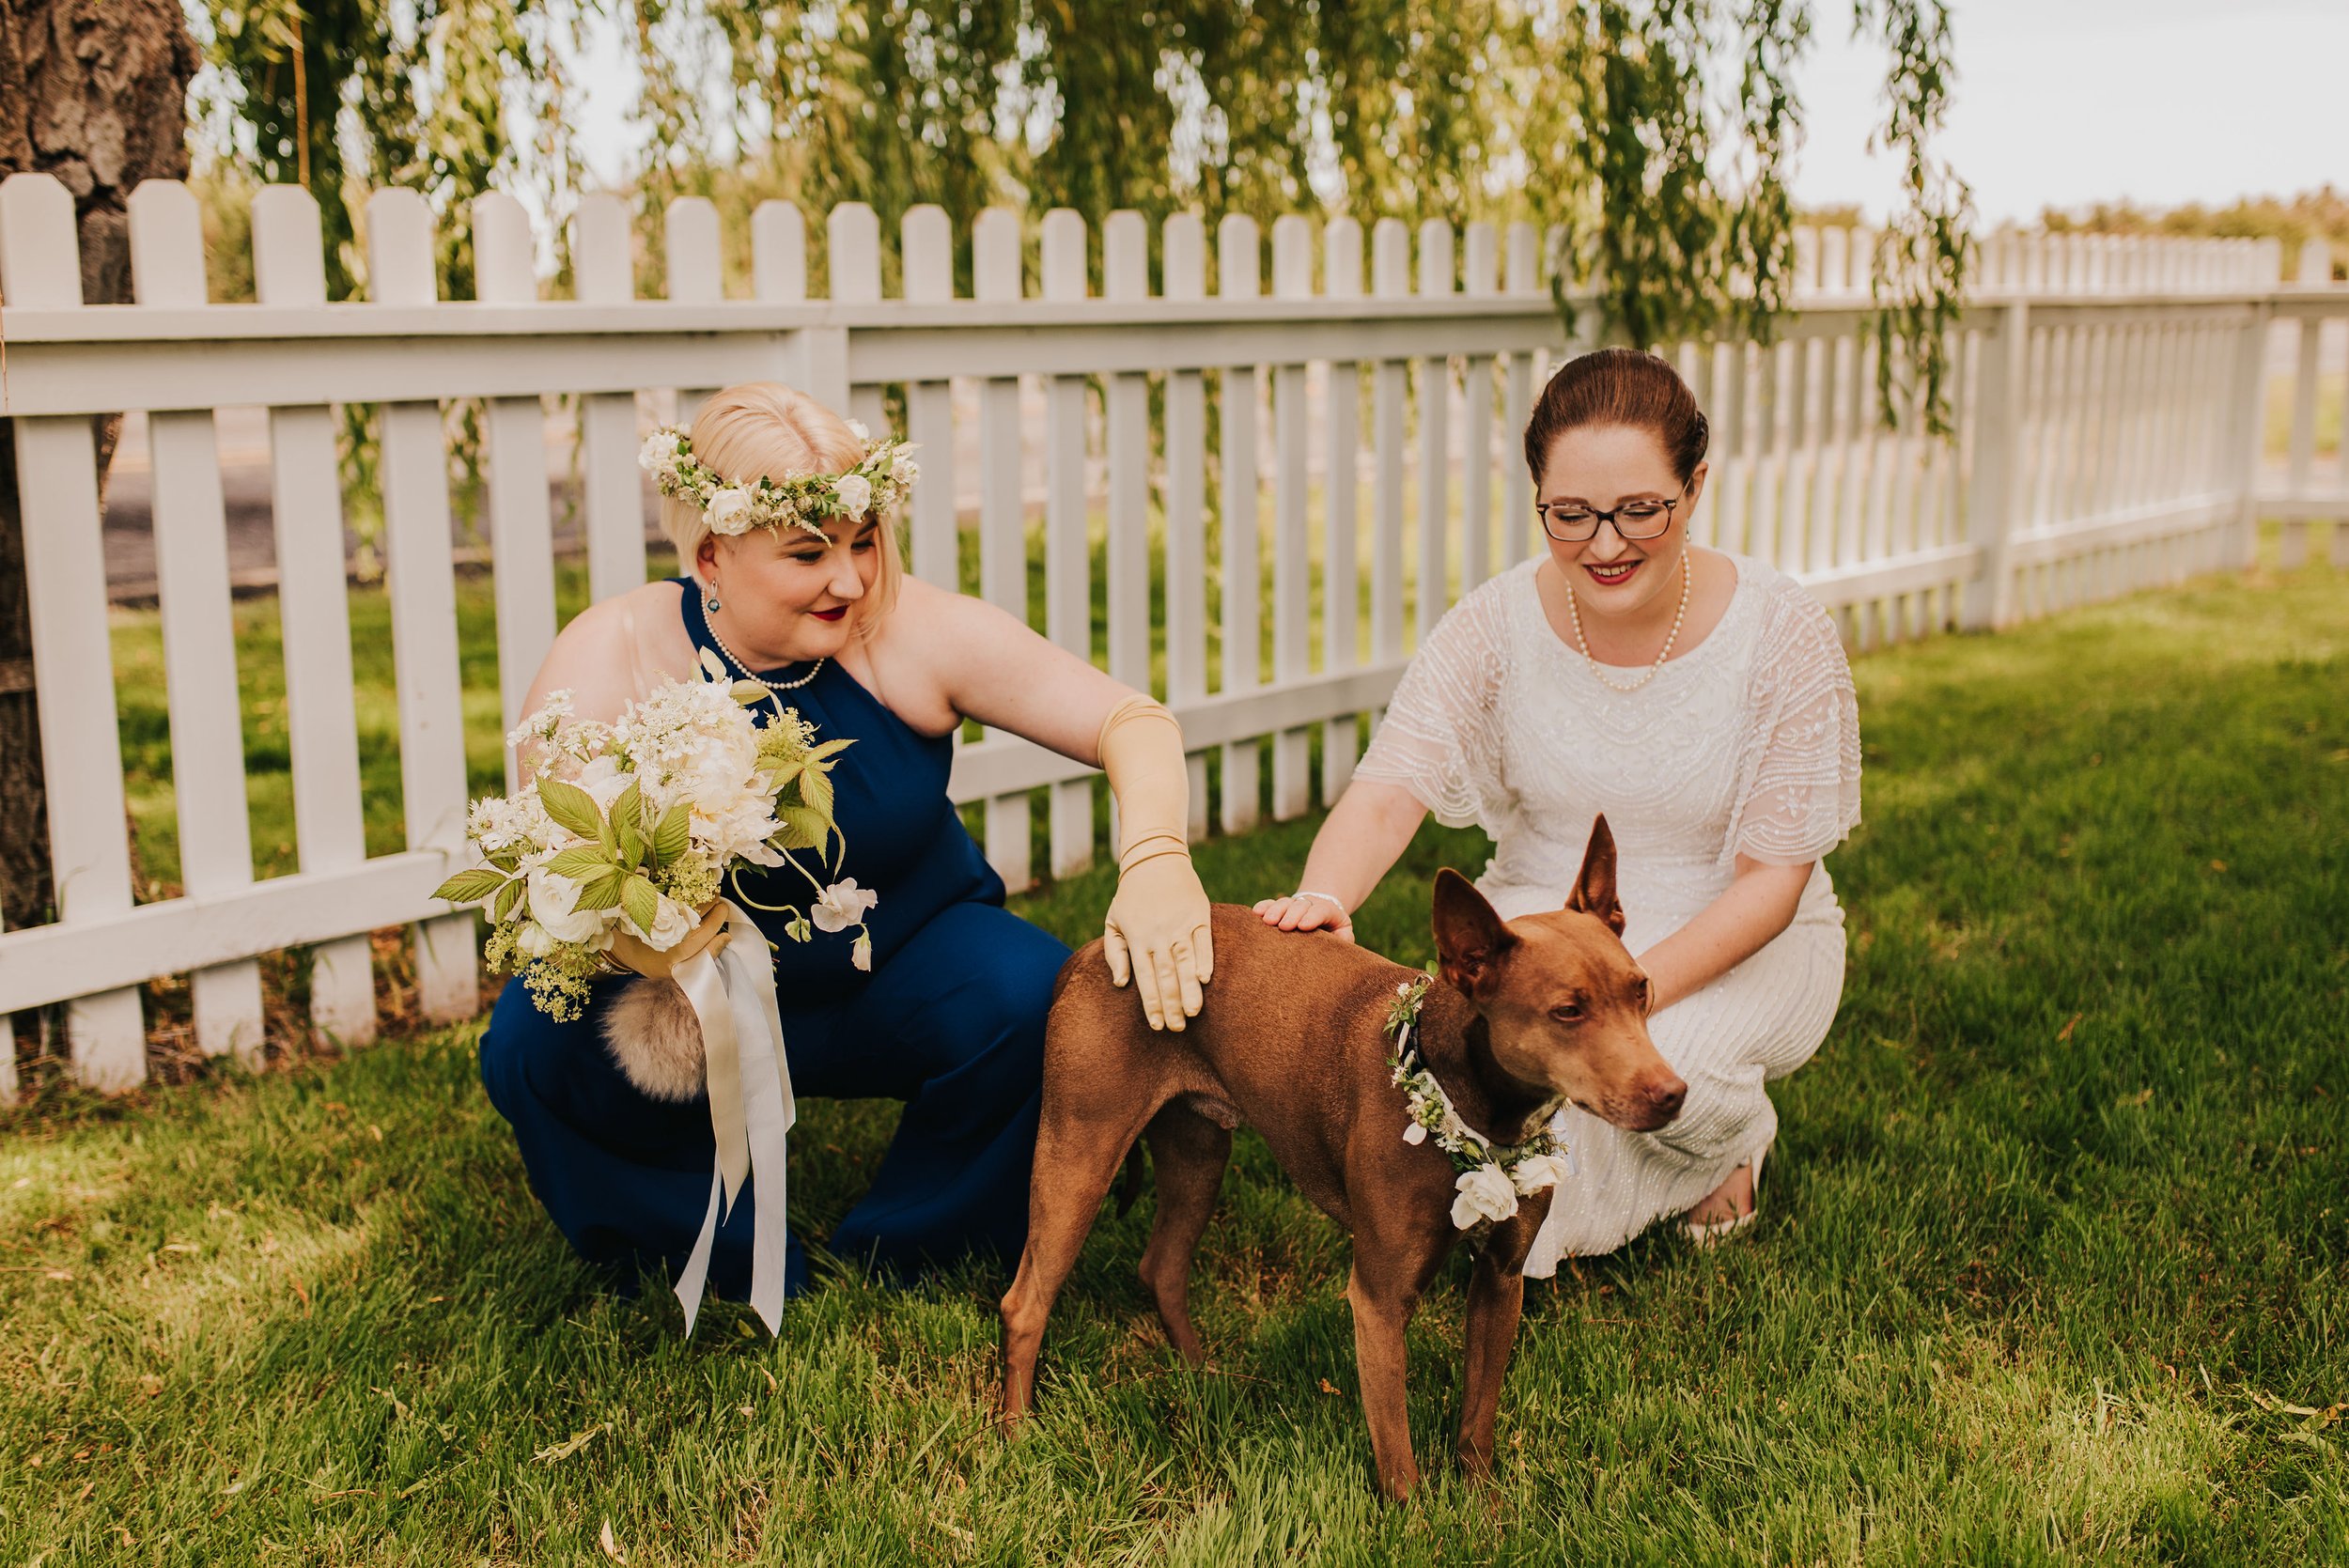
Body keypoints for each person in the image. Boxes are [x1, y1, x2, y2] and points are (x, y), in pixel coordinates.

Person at [479, 381, 1213, 1301]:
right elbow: (551, 861)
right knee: (533, 1035)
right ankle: (703, 1248)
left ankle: (908, 1245)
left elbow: (1130, 721)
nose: (851, 579)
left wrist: (1155, 857)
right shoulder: (615, 648)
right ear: (712, 551)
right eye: (807, 552)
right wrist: (645, 929)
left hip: (899, 962)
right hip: (693, 999)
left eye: (864, 541)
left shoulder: (905, 631)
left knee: (1033, 997)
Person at [1253, 347, 1859, 1268]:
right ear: (1538, 496)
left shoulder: (1781, 632)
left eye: (1638, 510)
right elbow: (1388, 793)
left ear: (1693, 487)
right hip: (1545, 926)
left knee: (1654, 1071)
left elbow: (1772, 884)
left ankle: (1725, 1143)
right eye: (1570, 515)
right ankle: (1607, 1178)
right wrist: (1326, 897)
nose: (1604, 544)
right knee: (1476, 1101)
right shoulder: (1492, 624)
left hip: (1739, 936)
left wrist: (1618, 1003)